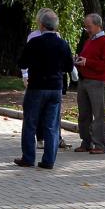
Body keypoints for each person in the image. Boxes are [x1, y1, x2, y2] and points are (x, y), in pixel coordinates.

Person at [15, 9, 72, 169]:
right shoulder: (63, 44)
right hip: (55, 88)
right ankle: (48, 160)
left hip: (37, 87)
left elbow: (22, 63)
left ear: (41, 25)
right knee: (52, 125)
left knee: (30, 123)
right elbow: (69, 66)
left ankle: (28, 158)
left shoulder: (34, 43)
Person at [74, 13, 105, 154]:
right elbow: (87, 58)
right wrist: (79, 60)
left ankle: (100, 145)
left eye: (89, 27)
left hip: (97, 82)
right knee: (84, 114)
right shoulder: (89, 40)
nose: (87, 29)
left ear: (97, 25)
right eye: (86, 27)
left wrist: (87, 62)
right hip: (84, 80)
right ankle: (86, 142)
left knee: (98, 115)